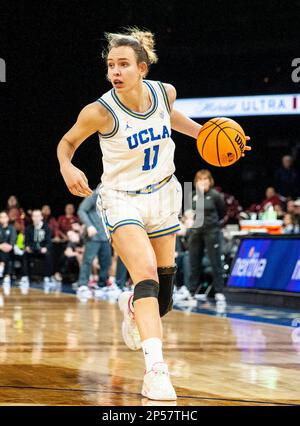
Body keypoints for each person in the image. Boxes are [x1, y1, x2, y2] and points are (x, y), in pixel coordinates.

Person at [57, 28, 250, 401]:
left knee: (162, 297)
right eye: (111, 65)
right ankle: (156, 372)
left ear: (142, 68)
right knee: (144, 275)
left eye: (124, 64)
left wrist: (210, 138)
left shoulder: (166, 92)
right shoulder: (99, 111)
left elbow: (171, 119)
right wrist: (67, 165)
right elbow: (67, 142)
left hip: (164, 194)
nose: (116, 71)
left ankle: (131, 305)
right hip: (122, 199)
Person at [187, 170, 226, 305]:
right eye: (200, 179)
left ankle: (219, 292)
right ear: (196, 182)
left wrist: (212, 224)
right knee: (193, 262)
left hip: (211, 231)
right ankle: (191, 291)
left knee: (215, 261)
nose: (203, 182)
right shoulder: (191, 195)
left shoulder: (215, 195)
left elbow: (222, 212)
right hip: (196, 232)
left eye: (205, 179)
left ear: (210, 181)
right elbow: (187, 214)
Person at [77, 190, 112, 290]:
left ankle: (102, 284)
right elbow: (81, 210)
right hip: (94, 236)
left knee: (106, 262)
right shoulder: (95, 195)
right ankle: (83, 284)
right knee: (88, 260)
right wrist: (89, 226)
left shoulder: (111, 197)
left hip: (106, 236)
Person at [20, 209, 53, 288]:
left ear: (41, 217)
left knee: (49, 255)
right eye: (34, 216)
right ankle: (25, 277)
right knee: (25, 254)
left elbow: (49, 242)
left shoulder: (47, 228)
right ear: (32, 218)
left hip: (42, 250)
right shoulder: (28, 228)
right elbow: (26, 241)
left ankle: (47, 277)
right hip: (32, 249)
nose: (36, 218)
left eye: (38, 216)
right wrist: (27, 247)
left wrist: (45, 248)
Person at [0, 211, 17, 289]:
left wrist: (8, 246)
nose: (3, 219)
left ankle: (5, 273)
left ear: (7, 218)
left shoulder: (12, 228)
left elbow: (12, 242)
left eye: (4, 217)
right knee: (2, 252)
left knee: (6, 252)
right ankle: (5, 273)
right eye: (1, 217)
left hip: (9, 250)